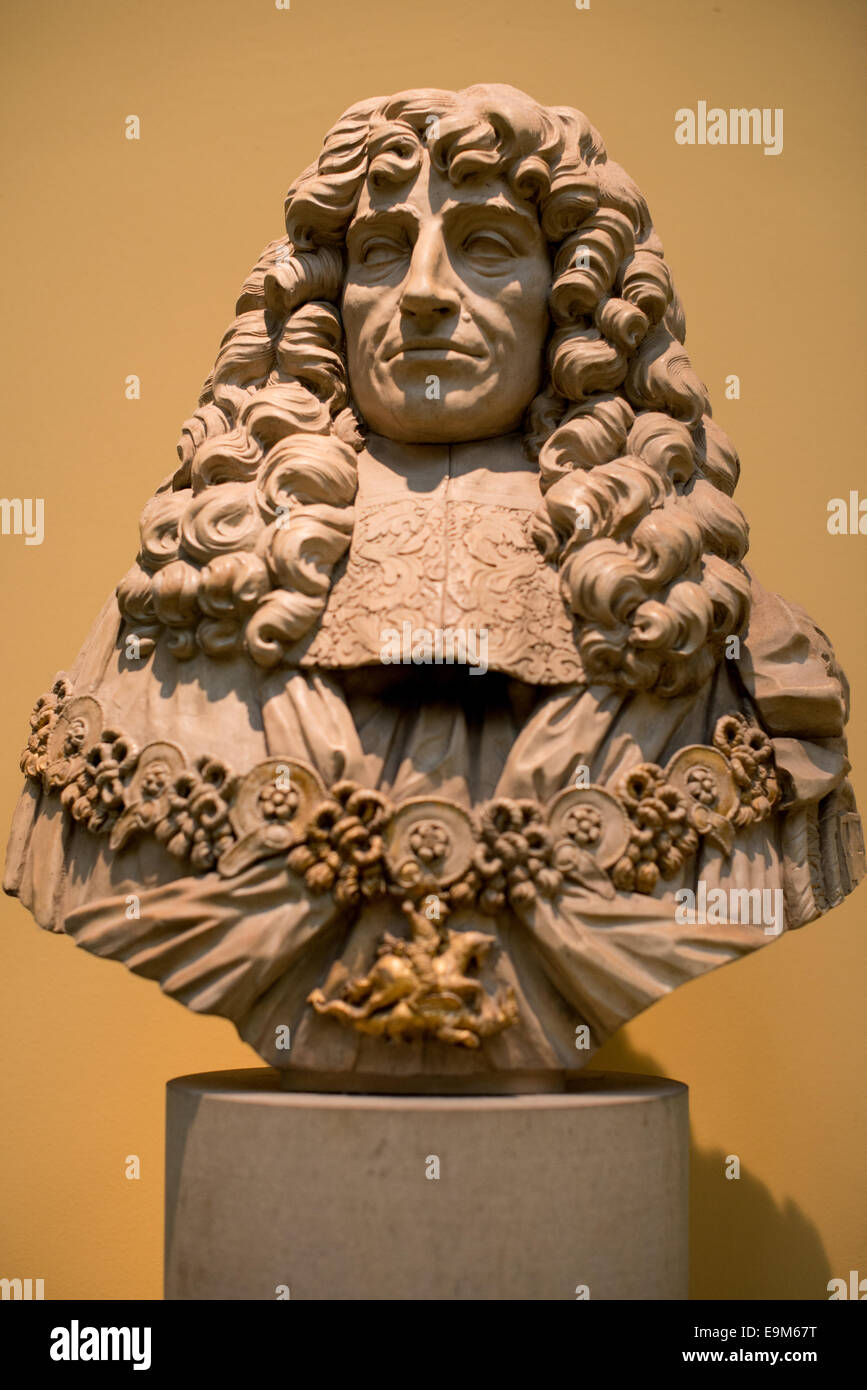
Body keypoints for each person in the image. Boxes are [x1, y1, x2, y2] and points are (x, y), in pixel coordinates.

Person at [5, 85, 862, 1087]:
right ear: (325, 299)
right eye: (377, 251)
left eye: (487, 244)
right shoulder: (166, 618)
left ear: (575, 298)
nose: (421, 289)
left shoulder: (727, 650)